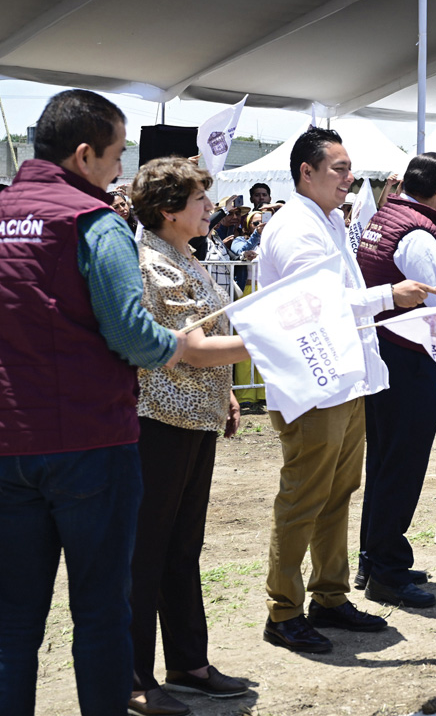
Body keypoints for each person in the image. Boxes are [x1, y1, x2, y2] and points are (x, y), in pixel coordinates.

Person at [0, 89, 229, 716]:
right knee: (100, 611)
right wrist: (176, 347)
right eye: (117, 154)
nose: (120, 170)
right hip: (88, 441)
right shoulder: (93, 221)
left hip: (8, 441)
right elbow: (130, 333)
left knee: (13, 620)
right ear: (83, 154)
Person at [258, 127, 434, 654]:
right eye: (338, 168)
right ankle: (282, 609)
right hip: (312, 382)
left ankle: (329, 595)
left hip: (342, 379)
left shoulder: (330, 219)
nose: (349, 177)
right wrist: (390, 295)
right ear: (305, 172)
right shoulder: (295, 228)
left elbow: (345, 293)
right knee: (304, 497)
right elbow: (317, 303)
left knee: (337, 494)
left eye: (348, 167)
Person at [127, 157, 253, 716]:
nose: (210, 207)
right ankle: (133, 675)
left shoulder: (187, 257)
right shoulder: (151, 264)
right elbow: (192, 347)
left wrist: (224, 391)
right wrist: (269, 344)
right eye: (200, 200)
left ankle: (188, 662)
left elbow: (206, 338)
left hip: (195, 416)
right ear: (169, 211)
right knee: (146, 550)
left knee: (183, 545)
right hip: (158, 421)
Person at [353, 153, 436, 605]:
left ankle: (373, 558)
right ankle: (387, 570)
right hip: (408, 357)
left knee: (381, 462)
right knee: (400, 465)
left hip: (383, 354)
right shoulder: (418, 235)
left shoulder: (385, 217)